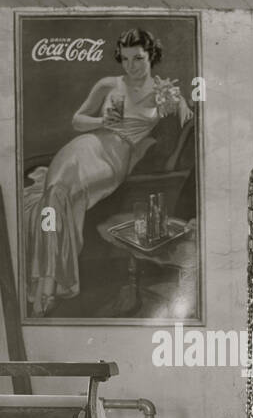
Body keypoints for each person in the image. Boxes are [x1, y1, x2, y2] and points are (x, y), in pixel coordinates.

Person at [22, 27, 192, 316]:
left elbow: (188, 117)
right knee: (54, 195)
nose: (131, 66)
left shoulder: (164, 92)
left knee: (61, 198)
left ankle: (48, 284)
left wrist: (181, 105)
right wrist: (103, 120)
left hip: (113, 160)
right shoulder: (108, 84)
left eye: (138, 58)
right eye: (125, 59)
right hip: (85, 144)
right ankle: (47, 284)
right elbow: (77, 120)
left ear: (151, 56)